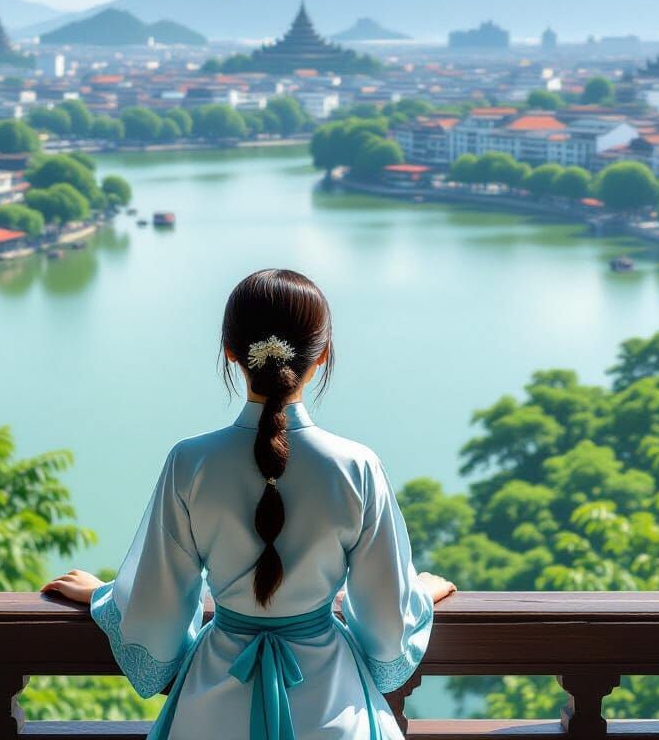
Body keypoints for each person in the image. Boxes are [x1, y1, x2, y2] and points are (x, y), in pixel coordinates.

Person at [43, 268, 456, 739]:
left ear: (231, 352)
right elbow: (387, 632)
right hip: (332, 708)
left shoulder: (190, 462)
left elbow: (155, 619)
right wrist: (418, 594)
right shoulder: (356, 467)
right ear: (321, 355)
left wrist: (103, 595)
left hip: (211, 709)